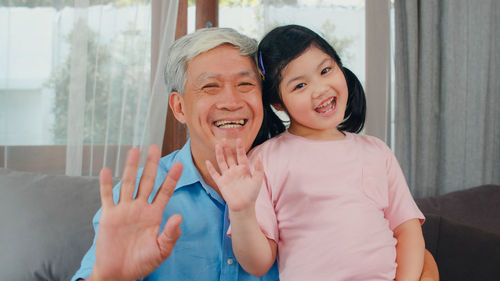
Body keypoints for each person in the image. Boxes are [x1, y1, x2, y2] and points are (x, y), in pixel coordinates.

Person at [72, 27, 439, 281]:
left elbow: (407, 249)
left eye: (245, 85)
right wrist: (109, 276)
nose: (231, 102)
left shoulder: (317, 166)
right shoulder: (140, 198)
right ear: (179, 107)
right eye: (210, 87)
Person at [206, 25, 426, 281]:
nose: (320, 89)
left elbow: (407, 229)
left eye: (325, 70)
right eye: (300, 85)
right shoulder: (265, 160)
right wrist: (242, 212)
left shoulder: (376, 151)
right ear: (278, 103)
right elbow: (258, 264)